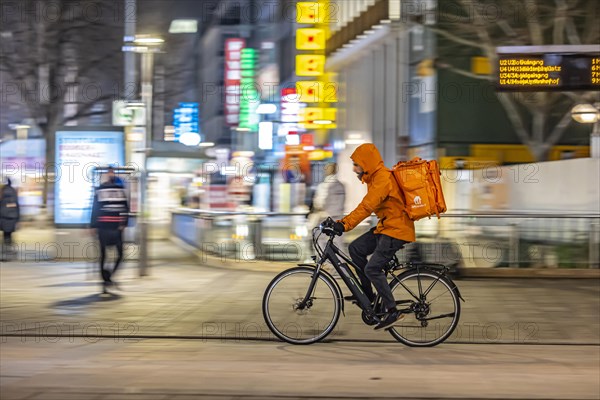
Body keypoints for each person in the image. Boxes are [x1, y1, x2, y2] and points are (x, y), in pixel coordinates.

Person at [328, 143, 416, 331]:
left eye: (356, 164)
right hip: (386, 227)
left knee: (372, 269)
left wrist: (343, 225)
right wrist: (341, 222)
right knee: (355, 249)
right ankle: (367, 296)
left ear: (367, 163)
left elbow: (367, 207)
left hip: (396, 230)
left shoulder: (382, 179)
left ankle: (392, 310)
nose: (354, 169)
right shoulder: (374, 178)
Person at [90, 167, 129, 293]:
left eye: (112, 172)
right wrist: (93, 225)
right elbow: (95, 208)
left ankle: (108, 277)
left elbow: (125, 208)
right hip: (104, 227)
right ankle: (105, 280)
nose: (110, 174)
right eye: (109, 172)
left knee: (120, 255)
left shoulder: (119, 189)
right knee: (104, 255)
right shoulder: (101, 189)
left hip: (115, 227)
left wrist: (124, 223)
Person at [306, 163, 345, 263]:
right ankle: (341, 268)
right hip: (339, 218)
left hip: (326, 219)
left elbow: (320, 203)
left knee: (320, 240)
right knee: (338, 244)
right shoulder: (341, 185)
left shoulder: (325, 185)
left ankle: (327, 263)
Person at [0, 177, 20, 261]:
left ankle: (5, 252)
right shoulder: (14, 192)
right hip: (12, 218)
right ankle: (9, 251)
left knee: (5, 235)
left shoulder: (2, 192)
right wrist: (18, 218)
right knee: (10, 235)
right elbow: (17, 206)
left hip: (3, 217)